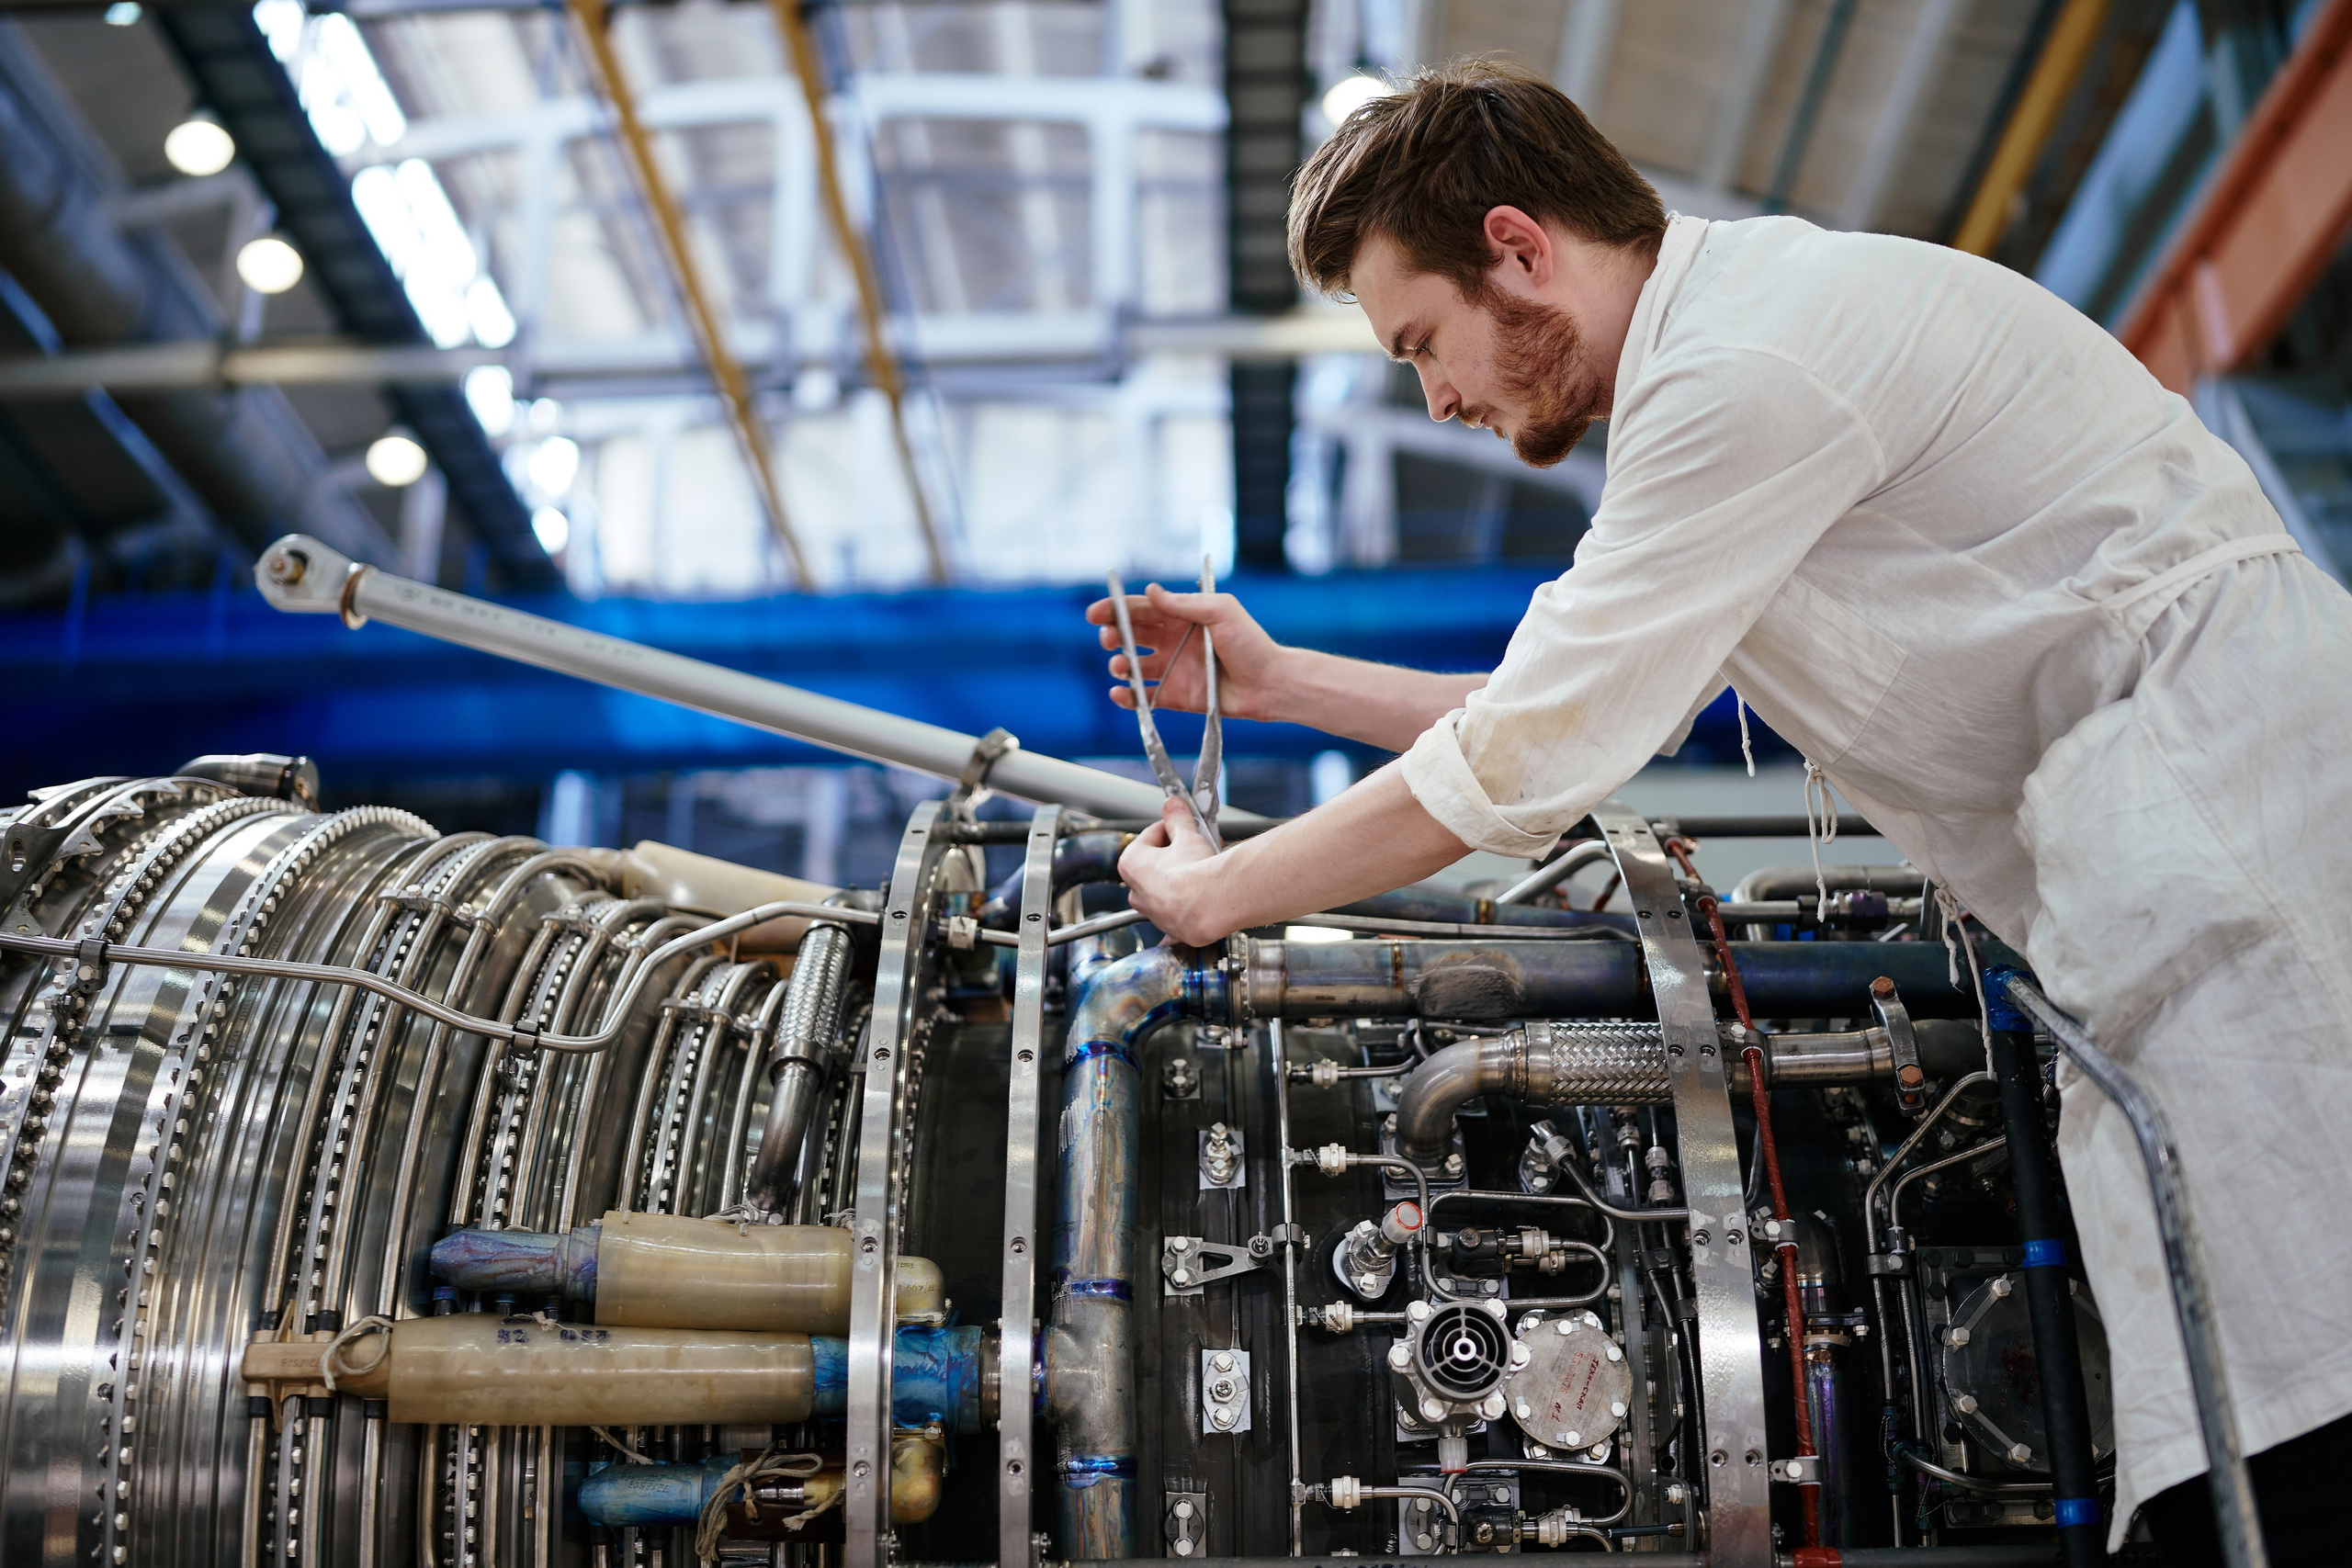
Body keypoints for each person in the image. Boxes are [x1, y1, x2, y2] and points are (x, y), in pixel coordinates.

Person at [1088, 58, 2352, 1561]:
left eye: (1424, 344)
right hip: (2167, 851)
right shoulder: (1726, 353)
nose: (1437, 398)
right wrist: (1281, 679)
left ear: (1519, 248)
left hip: (2237, 837)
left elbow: (1523, 761)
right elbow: (1570, 709)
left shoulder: (1740, 376)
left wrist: (1216, 897)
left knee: (2294, 1432)